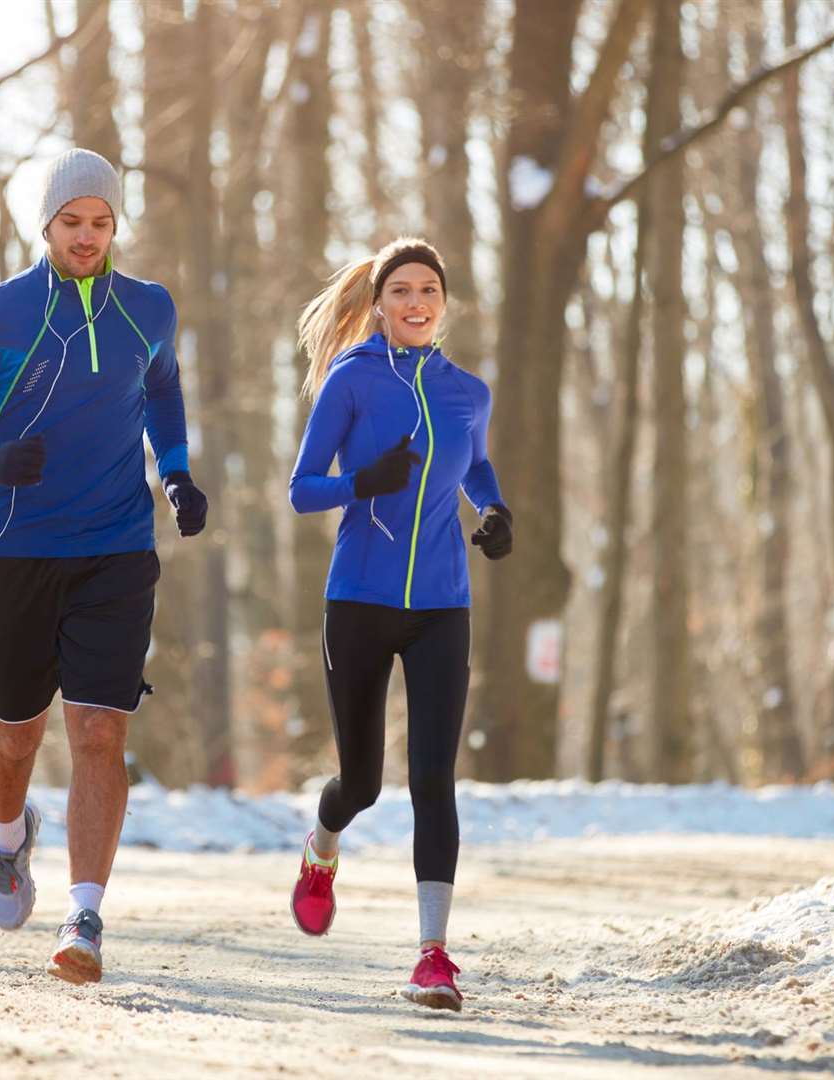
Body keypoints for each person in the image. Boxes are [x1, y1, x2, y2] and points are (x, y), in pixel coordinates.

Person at [0, 147, 209, 984]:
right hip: (14, 549)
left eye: (101, 222)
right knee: (16, 735)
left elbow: (161, 390)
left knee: (100, 729)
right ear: (45, 225)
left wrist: (178, 471)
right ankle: (10, 842)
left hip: (116, 547)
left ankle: (85, 918)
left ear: (118, 226)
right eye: (72, 222)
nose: (87, 237)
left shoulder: (148, 308)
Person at [286, 237, 512, 1012]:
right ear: (379, 303)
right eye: (402, 291)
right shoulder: (350, 381)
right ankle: (322, 848)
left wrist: (495, 509)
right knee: (363, 783)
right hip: (359, 602)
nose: (416, 303)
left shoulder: (466, 392)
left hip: (443, 605)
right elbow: (301, 490)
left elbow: (474, 464)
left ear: (443, 303)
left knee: (432, 781)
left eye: (429, 291)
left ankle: (433, 955)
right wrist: (362, 482)